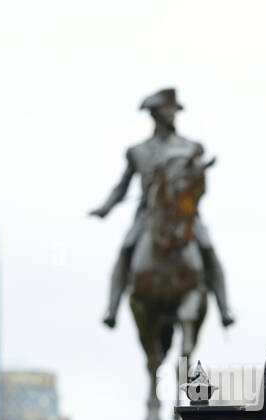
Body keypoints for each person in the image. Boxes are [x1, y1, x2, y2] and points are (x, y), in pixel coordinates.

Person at [90, 87, 234, 329]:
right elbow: (122, 186)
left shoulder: (191, 147)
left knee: (208, 249)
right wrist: (105, 208)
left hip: (186, 215)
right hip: (149, 216)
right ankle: (112, 307)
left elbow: (197, 182)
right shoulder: (137, 151)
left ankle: (224, 306)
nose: (171, 114)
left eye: (173, 110)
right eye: (166, 110)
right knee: (126, 250)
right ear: (154, 113)